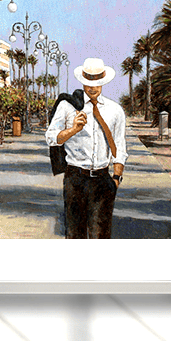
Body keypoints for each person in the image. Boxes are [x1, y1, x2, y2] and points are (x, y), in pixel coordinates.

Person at [47, 56, 127, 238]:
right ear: (82, 81)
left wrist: (116, 179)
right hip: (75, 178)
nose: (92, 87)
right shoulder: (67, 106)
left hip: (102, 179)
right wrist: (73, 130)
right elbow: (51, 138)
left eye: (97, 83)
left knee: (101, 235)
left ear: (103, 82)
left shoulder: (115, 110)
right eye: (88, 82)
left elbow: (119, 147)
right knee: (75, 235)